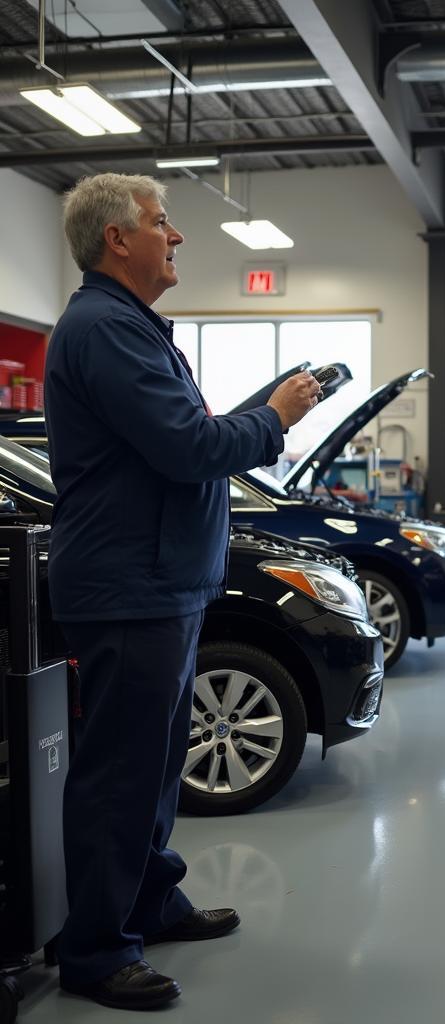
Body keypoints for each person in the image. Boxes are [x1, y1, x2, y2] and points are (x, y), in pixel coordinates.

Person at [45, 173, 322, 1010]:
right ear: (116, 240)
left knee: (160, 769)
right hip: (131, 586)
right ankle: (95, 951)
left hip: (163, 581)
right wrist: (274, 417)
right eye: (163, 224)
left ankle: (149, 900)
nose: (178, 237)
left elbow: (183, 439)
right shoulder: (103, 328)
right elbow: (188, 448)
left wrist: (260, 414)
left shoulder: (130, 327)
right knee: (121, 776)